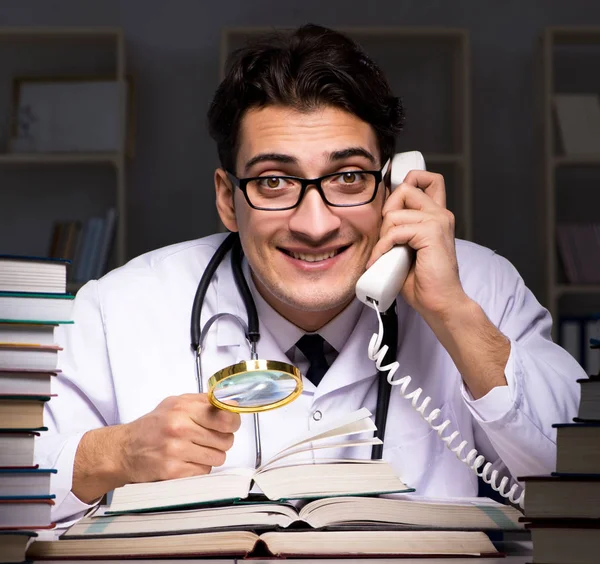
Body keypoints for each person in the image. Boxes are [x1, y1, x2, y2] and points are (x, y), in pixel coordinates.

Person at [37, 24, 584, 524]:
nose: (315, 224)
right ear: (229, 199)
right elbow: (17, 491)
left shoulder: (482, 289)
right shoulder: (118, 307)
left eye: (347, 177)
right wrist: (118, 454)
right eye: (275, 182)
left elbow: (580, 474)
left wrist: (454, 317)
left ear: (394, 184)